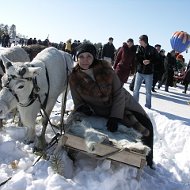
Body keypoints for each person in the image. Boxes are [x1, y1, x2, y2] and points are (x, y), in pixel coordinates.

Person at [69, 42, 155, 169]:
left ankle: (148, 161)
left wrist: (115, 117)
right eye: (81, 56)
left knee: (146, 126)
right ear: (77, 58)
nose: (85, 60)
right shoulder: (74, 77)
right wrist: (83, 107)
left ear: (94, 57)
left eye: (88, 56)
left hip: (123, 105)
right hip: (100, 110)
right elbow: (78, 101)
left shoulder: (106, 69)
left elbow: (119, 93)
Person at [133, 35, 158, 109]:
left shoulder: (152, 49)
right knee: (136, 89)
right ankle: (134, 104)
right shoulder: (138, 48)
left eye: (140, 40)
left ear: (144, 41)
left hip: (149, 73)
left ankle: (148, 106)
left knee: (148, 91)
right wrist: (142, 61)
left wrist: (149, 61)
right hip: (139, 72)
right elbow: (137, 57)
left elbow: (157, 60)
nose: (139, 41)